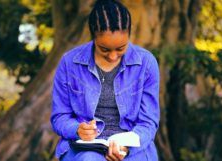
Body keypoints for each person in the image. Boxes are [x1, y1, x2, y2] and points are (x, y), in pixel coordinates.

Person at [50, 0, 160, 161]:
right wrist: (77, 129)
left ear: (129, 34)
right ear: (93, 36)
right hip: (83, 148)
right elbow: (59, 116)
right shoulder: (70, 63)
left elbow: (148, 121)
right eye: (104, 49)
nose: (113, 56)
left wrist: (125, 148)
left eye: (120, 48)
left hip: (133, 148)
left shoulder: (146, 63)